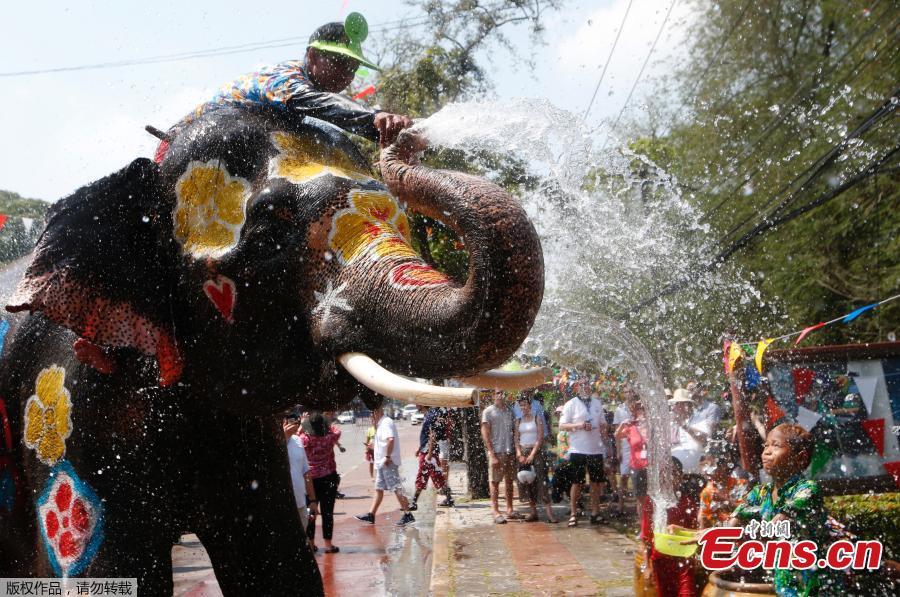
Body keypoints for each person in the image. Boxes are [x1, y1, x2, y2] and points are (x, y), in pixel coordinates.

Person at [156, 13, 412, 162]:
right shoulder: (285, 80)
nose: (347, 75)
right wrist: (375, 120)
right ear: (312, 56)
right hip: (185, 144)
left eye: (353, 69)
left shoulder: (309, 93)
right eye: (340, 63)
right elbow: (318, 103)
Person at [727, 424, 838, 595]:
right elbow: (731, 527)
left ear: (799, 458)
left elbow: (777, 524)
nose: (767, 452)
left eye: (776, 445)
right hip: (784, 580)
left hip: (814, 581)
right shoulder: (761, 492)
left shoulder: (807, 489)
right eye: (766, 445)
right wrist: (708, 535)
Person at [640, 457, 700, 597]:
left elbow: (695, 532)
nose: (669, 478)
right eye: (664, 474)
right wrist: (647, 566)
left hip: (684, 559)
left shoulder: (687, 502)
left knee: (687, 593)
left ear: (680, 477)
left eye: (674, 473)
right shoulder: (652, 502)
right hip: (660, 560)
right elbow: (646, 537)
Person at [558, 381, 609, 526]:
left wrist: (606, 443)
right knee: (577, 483)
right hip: (578, 449)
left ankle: (595, 513)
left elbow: (603, 424)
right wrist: (579, 426)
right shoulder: (571, 404)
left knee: (595, 483)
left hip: (596, 449)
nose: (585, 387)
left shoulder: (597, 403)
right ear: (577, 387)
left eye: (587, 384)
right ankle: (573, 514)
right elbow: (562, 425)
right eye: (582, 384)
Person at [356, 405, 415, 526]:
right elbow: (383, 443)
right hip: (381, 463)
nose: (371, 416)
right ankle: (371, 515)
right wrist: (372, 446)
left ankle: (408, 514)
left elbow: (391, 440)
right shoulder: (380, 424)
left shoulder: (386, 422)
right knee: (378, 488)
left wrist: (388, 456)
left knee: (396, 488)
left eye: (372, 413)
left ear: (378, 411)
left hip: (388, 462)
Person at [298, 412, 342, 553]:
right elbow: (337, 430)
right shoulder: (330, 437)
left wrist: (302, 424)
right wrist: (326, 423)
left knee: (311, 512)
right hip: (329, 477)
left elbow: (296, 437)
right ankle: (328, 545)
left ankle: (311, 543)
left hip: (310, 480)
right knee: (327, 512)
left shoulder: (305, 439)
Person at [514, 395, 556, 523]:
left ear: (530, 406)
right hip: (523, 452)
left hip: (536, 452)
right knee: (527, 482)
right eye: (521, 405)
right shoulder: (518, 421)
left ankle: (549, 514)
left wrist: (532, 454)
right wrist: (519, 454)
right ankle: (533, 512)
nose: (523, 407)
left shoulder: (537, 418)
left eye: (525, 405)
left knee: (542, 481)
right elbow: (516, 439)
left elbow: (540, 437)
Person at [481, 390, 521, 524]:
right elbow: (485, 434)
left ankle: (509, 509)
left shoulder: (510, 411)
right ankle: (495, 510)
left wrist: (516, 450)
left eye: (502, 393)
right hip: (497, 452)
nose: (500, 395)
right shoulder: (488, 412)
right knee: (495, 482)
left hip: (509, 451)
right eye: (497, 393)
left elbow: (515, 431)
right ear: (493, 395)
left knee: (509, 481)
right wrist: (492, 455)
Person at [410, 406, 454, 511]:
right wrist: (420, 448)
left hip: (428, 453)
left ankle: (414, 502)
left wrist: (429, 453)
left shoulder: (431, 414)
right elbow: (427, 435)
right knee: (437, 476)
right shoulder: (430, 413)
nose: (416, 404)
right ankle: (449, 499)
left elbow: (432, 434)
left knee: (422, 475)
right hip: (427, 451)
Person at [283, 414, 318, 546]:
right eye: (289, 420)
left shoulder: (298, 440)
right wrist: (283, 439)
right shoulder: (273, 442)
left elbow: (306, 472)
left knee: (301, 541)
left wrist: (313, 500)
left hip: (300, 503)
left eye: (296, 420)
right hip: (282, 505)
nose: (294, 422)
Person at [613, 394, 649, 518]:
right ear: (635, 410)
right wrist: (623, 425)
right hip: (637, 466)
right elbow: (617, 435)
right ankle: (642, 526)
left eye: (643, 408)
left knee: (651, 498)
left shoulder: (652, 425)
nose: (641, 410)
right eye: (639, 408)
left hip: (651, 466)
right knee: (640, 498)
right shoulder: (631, 426)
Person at [697, 450, 747, 529]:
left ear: (723, 466)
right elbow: (703, 523)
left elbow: (747, 511)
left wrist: (725, 499)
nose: (706, 471)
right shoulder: (707, 492)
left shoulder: (740, 484)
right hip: (719, 534)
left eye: (710, 466)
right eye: (703, 467)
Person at [669, 388, 707, 474]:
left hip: (694, 472)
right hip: (676, 472)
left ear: (689, 405)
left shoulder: (699, 418)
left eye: (681, 403)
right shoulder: (671, 421)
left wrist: (685, 426)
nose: (677, 406)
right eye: (676, 403)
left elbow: (703, 440)